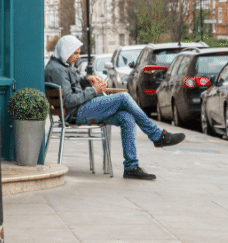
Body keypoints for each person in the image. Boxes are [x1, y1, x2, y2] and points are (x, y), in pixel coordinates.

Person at [44, 34, 184, 180]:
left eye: (79, 53)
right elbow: (69, 100)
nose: (78, 57)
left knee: (127, 117)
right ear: (66, 51)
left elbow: (71, 86)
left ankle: (131, 167)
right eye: (76, 53)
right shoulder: (58, 70)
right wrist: (95, 91)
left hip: (79, 110)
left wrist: (86, 79)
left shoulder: (59, 66)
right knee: (123, 97)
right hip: (77, 112)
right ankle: (157, 135)